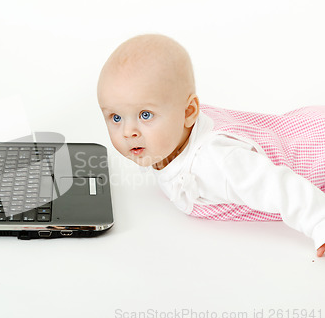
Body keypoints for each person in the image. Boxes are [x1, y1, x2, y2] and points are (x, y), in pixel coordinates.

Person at [97, 34, 325, 257]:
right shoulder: (173, 132)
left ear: (188, 112)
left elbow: (278, 187)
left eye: (145, 115)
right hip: (302, 128)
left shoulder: (213, 162)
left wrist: (320, 221)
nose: (128, 132)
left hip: (317, 158)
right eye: (116, 117)